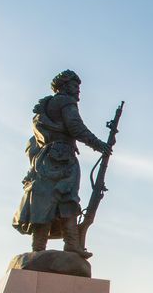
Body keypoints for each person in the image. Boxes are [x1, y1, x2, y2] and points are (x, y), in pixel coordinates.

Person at [12, 70, 112, 258]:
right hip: (63, 157)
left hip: (45, 159)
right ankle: (71, 244)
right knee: (67, 199)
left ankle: (39, 247)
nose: (78, 91)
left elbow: (33, 142)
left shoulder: (46, 106)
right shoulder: (66, 102)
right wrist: (100, 145)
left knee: (45, 202)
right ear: (65, 86)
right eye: (75, 86)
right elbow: (76, 127)